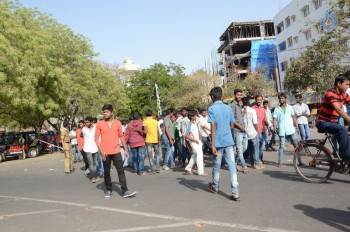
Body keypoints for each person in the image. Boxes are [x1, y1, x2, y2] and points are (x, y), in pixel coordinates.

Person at [94, 104, 137, 199]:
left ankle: (125, 190)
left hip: (116, 150)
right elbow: (96, 139)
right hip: (105, 152)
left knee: (121, 171)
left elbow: (121, 136)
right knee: (107, 172)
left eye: (107, 112)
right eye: (104, 112)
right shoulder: (99, 124)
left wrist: (125, 149)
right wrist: (101, 151)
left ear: (112, 112)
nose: (105, 114)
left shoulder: (117, 123)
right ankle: (109, 189)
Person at [207, 87, 240, 201]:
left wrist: (212, 144)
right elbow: (232, 125)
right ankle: (235, 193)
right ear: (221, 96)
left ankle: (215, 186)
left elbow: (213, 127)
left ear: (212, 97)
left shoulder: (211, 109)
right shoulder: (228, 108)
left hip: (218, 141)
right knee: (232, 166)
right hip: (228, 140)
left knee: (216, 166)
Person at [316, 74, 350, 161]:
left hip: (333, 123)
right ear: (339, 83)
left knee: (345, 136)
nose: (348, 86)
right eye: (346, 84)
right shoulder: (330, 93)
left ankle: (342, 159)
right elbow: (338, 109)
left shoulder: (344, 95)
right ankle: (346, 157)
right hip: (323, 123)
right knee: (343, 129)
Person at [273, 92, 301, 167]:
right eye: (280, 98)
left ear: (285, 99)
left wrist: (297, 127)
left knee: (296, 145)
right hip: (282, 130)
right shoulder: (277, 109)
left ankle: (300, 161)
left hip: (291, 129)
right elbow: (275, 119)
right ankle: (280, 162)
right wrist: (274, 127)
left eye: (282, 98)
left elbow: (294, 117)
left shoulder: (290, 108)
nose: (281, 99)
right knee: (281, 146)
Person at [184, 110, 208, 176]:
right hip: (193, 142)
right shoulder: (189, 124)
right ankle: (200, 172)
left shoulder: (194, 123)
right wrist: (195, 140)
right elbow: (187, 135)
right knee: (199, 155)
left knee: (195, 155)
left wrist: (199, 137)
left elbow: (196, 131)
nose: (196, 116)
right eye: (195, 115)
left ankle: (188, 168)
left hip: (197, 141)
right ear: (191, 117)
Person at [231, 89, 249, 173]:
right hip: (237, 130)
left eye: (241, 95)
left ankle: (234, 162)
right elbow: (232, 120)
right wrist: (240, 127)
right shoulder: (232, 105)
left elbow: (239, 117)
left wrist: (243, 113)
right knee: (239, 149)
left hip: (243, 129)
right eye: (238, 95)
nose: (239, 96)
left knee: (244, 147)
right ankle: (244, 166)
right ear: (234, 95)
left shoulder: (240, 105)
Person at [242, 97, 263, 169]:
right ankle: (257, 164)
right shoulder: (252, 110)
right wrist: (257, 131)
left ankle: (252, 163)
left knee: (250, 148)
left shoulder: (241, 111)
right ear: (248, 102)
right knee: (256, 148)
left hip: (245, 132)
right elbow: (255, 122)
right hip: (253, 132)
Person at [125, 111, 146, 176]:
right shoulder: (141, 123)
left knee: (135, 157)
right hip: (141, 142)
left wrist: (125, 143)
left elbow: (127, 135)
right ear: (139, 117)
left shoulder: (128, 125)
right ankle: (141, 171)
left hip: (132, 143)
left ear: (132, 117)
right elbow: (145, 132)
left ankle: (136, 169)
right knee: (141, 157)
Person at [252, 95, 269, 165]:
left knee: (261, 146)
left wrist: (268, 125)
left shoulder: (262, 109)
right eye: (258, 99)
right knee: (256, 146)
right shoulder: (252, 109)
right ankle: (257, 160)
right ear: (255, 100)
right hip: (256, 131)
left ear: (262, 100)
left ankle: (260, 158)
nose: (259, 101)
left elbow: (265, 119)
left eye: (260, 100)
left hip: (263, 130)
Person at [82, 116, 99, 183]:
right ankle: (93, 177)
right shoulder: (84, 129)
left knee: (96, 164)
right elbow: (83, 137)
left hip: (95, 148)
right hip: (87, 148)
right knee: (91, 163)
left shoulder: (96, 128)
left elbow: (98, 137)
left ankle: (95, 175)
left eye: (87, 122)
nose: (86, 123)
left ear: (91, 122)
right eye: (85, 122)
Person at [143, 110, 161, 174]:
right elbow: (157, 131)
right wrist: (159, 139)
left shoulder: (145, 121)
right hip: (155, 140)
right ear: (152, 114)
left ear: (146, 115)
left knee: (150, 155)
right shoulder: (155, 121)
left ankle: (152, 169)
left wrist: (138, 130)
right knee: (157, 154)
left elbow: (144, 132)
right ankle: (158, 168)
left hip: (148, 140)